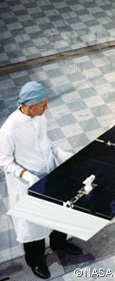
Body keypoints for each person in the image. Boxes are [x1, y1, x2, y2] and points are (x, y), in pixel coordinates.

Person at [0, 81, 82, 280]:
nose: (47, 107)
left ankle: (59, 243)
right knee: (33, 226)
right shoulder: (9, 130)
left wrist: (60, 153)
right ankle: (35, 259)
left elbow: (45, 141)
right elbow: (4, 161)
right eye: (43, 104)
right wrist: (27, 176)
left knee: (58, 214)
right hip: (28, 185)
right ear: (29, 106)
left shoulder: (40, 118)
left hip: (50, 175)